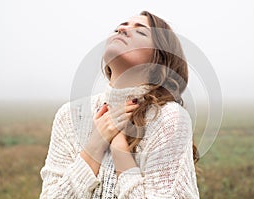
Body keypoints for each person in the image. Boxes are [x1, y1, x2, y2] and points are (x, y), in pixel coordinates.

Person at [40, 11, 200, 198]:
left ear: (158, 61)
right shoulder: (70, 115)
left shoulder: (170, 118)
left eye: (140, 32)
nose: (122, 29)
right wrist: (94, 145)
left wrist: (120, 150)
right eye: (119, 28)